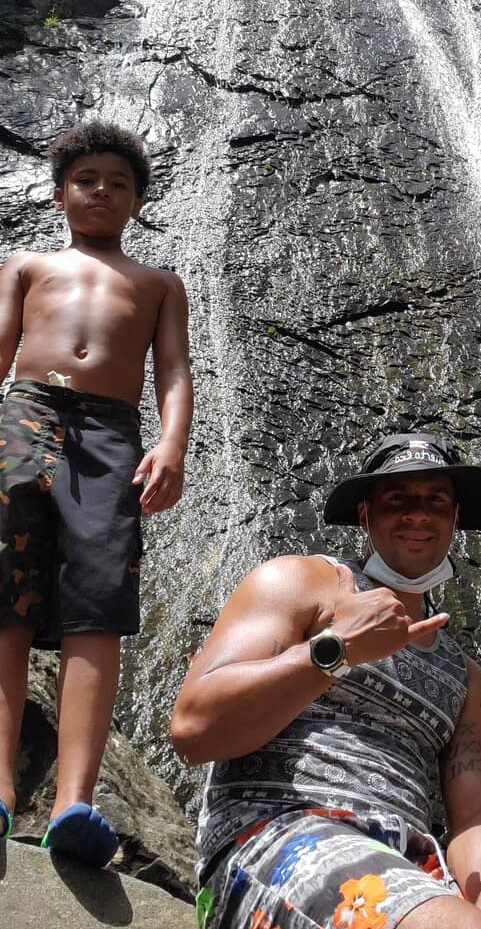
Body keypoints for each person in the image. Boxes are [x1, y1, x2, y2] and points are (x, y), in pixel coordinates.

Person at [172, 431, 481, 929]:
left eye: (436, 500)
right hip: (278, 835)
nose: (418, 514)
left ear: (455, 518)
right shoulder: (299, 583)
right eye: (397, 499)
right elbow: (195, 728)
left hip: (413, 867)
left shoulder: (466, 678)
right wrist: (337, 649)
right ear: (365, 515)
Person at [0, 121, 192, 866]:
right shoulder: (26, 265)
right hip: (26, 412)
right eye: (86, 180)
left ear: (138, 202)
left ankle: (73, 803)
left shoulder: (158, 283)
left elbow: (172, 370)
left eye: (118, 183)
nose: (101, 191)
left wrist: (171, 444)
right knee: (7, 599)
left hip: (111, 432)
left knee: (97, 603)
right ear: (58, 195)